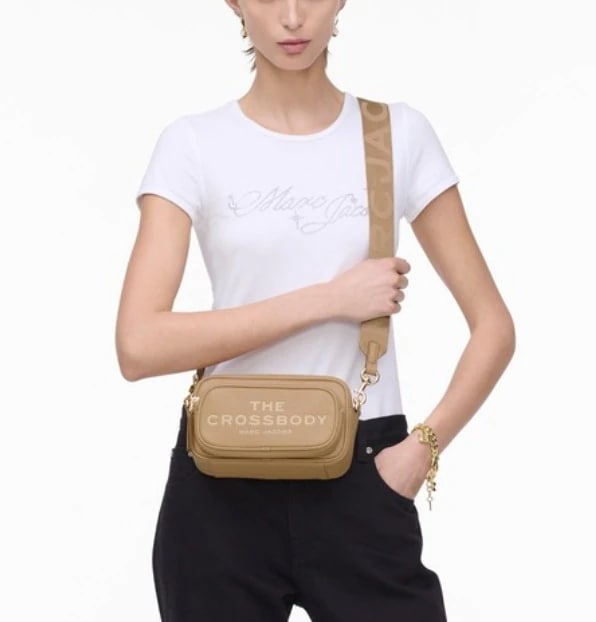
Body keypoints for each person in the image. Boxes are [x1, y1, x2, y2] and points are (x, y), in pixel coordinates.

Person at [115, 1, 516, 620]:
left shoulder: (396, 134)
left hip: (365, 470)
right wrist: (329, 299)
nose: (293, 17)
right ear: (235, 3)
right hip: (221, 485)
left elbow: (493, 327)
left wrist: (421, 451)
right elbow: (138, 346)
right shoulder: (192, 144)